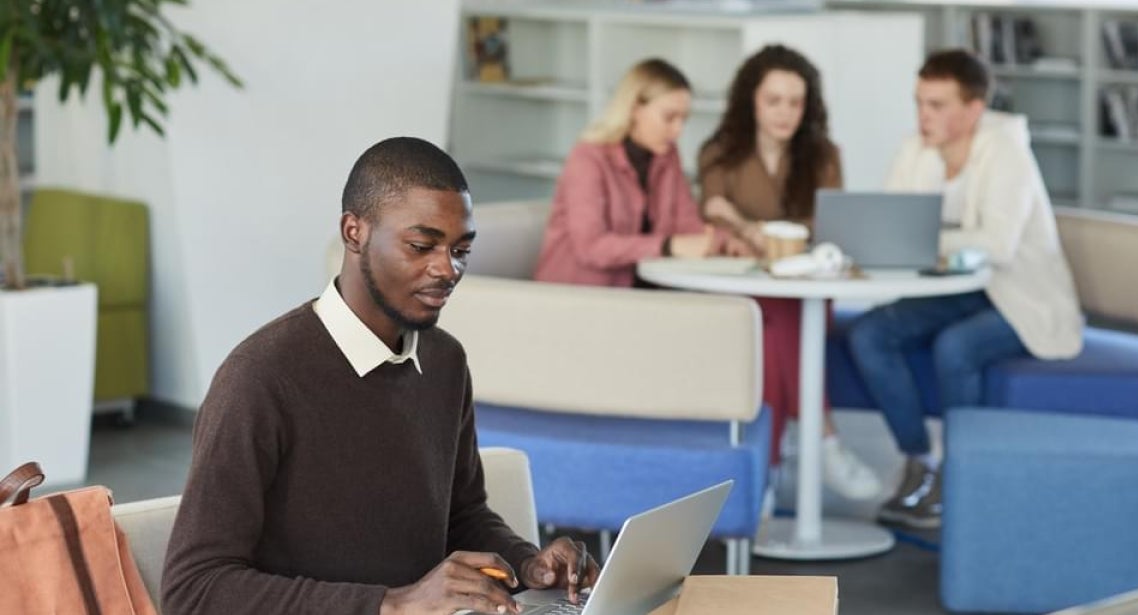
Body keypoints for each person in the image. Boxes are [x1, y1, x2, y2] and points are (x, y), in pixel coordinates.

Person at [162, 137, 598, 615]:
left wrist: (529, 564)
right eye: (421, 245)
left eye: (461, 250)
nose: (447, 269)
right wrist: (390, 605)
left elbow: (462, 516)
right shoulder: (259, 378)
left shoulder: (445, 361)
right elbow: (194, 590)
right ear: (354, 232)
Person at [847, 49, 1084, 529]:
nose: (923, 116)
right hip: (951, 292)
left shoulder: (1006, 152)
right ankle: (919, 461)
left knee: (956, 348)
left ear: (974, 108)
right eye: (919, 102)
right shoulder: (916, 149)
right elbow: (892, 226)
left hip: (1017, 296)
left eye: (937, 105)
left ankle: (964, 476)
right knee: (869, 335)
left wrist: (923, 240)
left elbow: (996, 245)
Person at [697, 45, 881, 501]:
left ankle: (768, 471)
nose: (785, 113)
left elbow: (830, 225)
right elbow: (713, 213)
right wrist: (749, 229)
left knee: (783, 320)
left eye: (795, 102)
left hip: (806, 290)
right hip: (740, 293)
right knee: (775, 323)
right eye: (773, 100)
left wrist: (754, 227)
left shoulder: (823, 155)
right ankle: (825, 440)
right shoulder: (719, 154)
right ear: (751, 101)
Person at [534, 58, 746, 286]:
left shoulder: (666, 155)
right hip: (580, 294)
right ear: (635, 108)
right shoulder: (588, 158)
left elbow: (686, 223)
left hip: (638, 292)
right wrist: (668, 245)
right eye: (669, 117)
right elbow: (591, 247)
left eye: (683, 119)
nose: (678, 130)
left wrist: (722, 242)